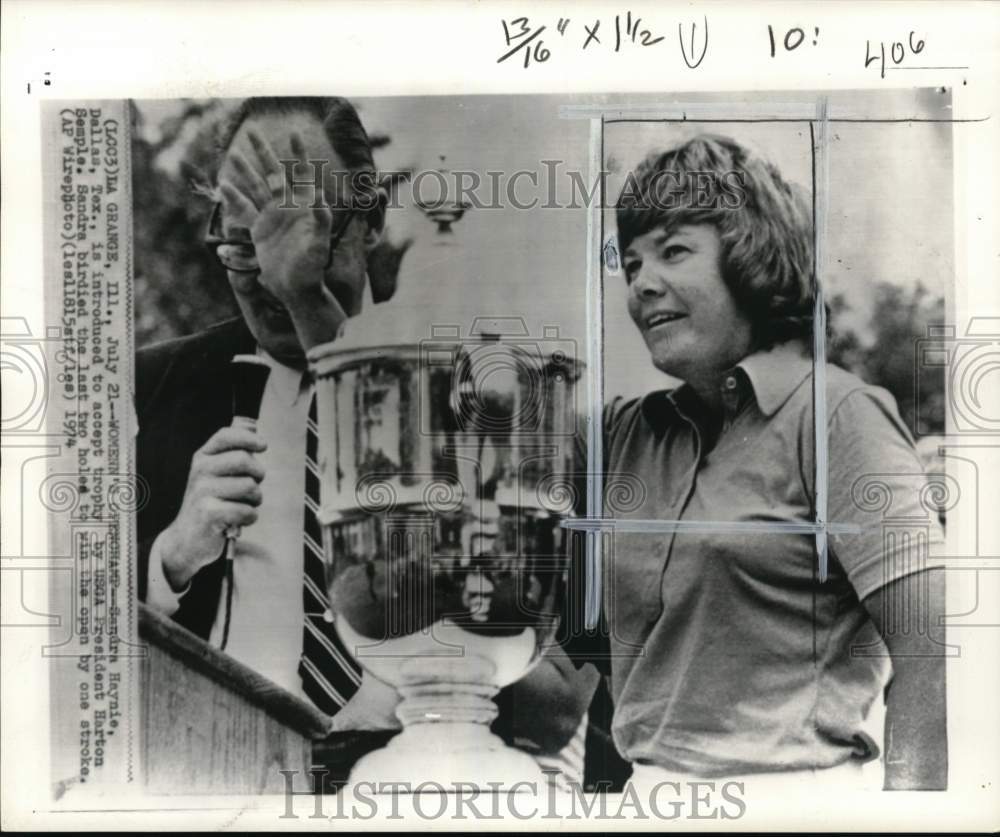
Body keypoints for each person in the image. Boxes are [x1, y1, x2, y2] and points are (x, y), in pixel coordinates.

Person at [136, 96, 594, 782]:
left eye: (304, 228)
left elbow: (554, 711)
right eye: (242, 242)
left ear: (373, 219)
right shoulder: (153, 386)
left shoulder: (481, 383)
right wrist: (167, 564)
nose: (268, 268)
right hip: (216, 776)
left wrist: (313, 310)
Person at [574, 134, 947, 792]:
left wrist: (912, 817)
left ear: (750, 257)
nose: (641, 285)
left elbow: (932, 651)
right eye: (630, 264)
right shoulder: (625, 435)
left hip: (798, 799)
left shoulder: (839, 416)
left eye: (673, 251)